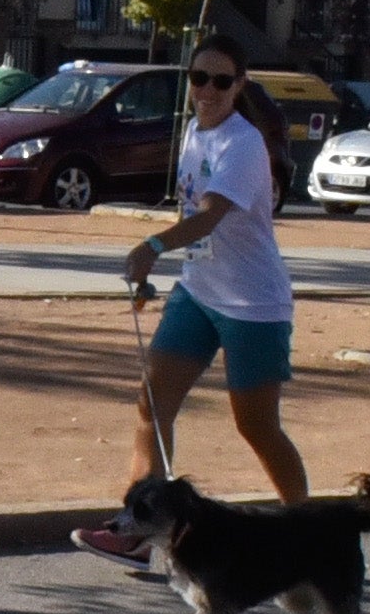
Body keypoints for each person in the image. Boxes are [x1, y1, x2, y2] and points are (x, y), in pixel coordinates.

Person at [76, 40, 306, 560]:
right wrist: (155, 264)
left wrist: (153, 246)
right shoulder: (194, 132)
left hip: (252, 304)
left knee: (257, 426)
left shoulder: (243, 144)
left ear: (240, 85)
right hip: (198, 290)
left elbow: (208, 214)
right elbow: (194, 223)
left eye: (222, 81)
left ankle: (308, 531)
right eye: (199, 77)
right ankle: (137, 532)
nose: (207, 90)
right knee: (151, 408)